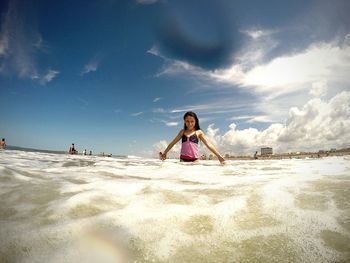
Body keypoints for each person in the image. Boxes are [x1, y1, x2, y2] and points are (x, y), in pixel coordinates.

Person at [159, 111, 225, 164]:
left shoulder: (199, 132)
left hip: (195, 161)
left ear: (195, 122)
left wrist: (219, 156)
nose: (190, 123)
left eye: (192, 121)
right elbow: (173, 143)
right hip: (182, 160)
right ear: (184, 121)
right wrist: (165, 153)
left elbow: (208, 144)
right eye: (187, 121)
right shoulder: (182, 132)